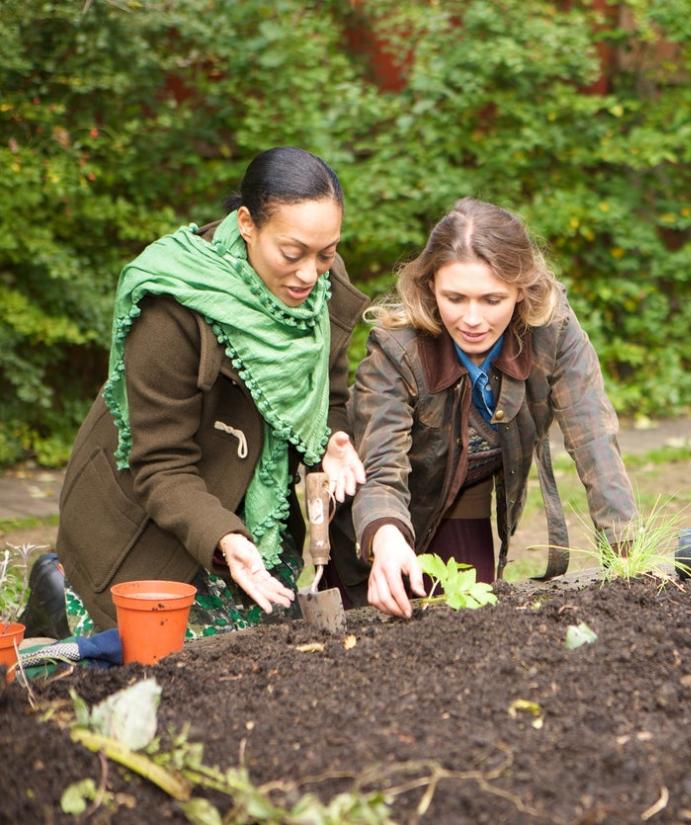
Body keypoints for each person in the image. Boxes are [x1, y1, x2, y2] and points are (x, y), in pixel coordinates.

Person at [54, 146, 368, 638]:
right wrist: (222, 536)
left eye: (325, 253)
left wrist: (330, 438)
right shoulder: (171, 309)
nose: (310, 273)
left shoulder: (321, 286)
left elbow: (330, 399)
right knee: (174, 661)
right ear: (247, 223)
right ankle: (53, 591)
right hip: (146, 520)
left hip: (254, 510)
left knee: (283, 645)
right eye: (292, 254)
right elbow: (159, 465)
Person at [341, 197, 637, 618]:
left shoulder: (551, 330)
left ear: (521, 289)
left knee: (470, 618)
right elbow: (381, 468)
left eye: (492, 300)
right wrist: (385, 536)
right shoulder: (396, 350)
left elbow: (593, 437)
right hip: (375, 518)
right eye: (455, 298)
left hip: (465, 499)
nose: (472, 319)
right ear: (430, 287)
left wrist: (623, 549)